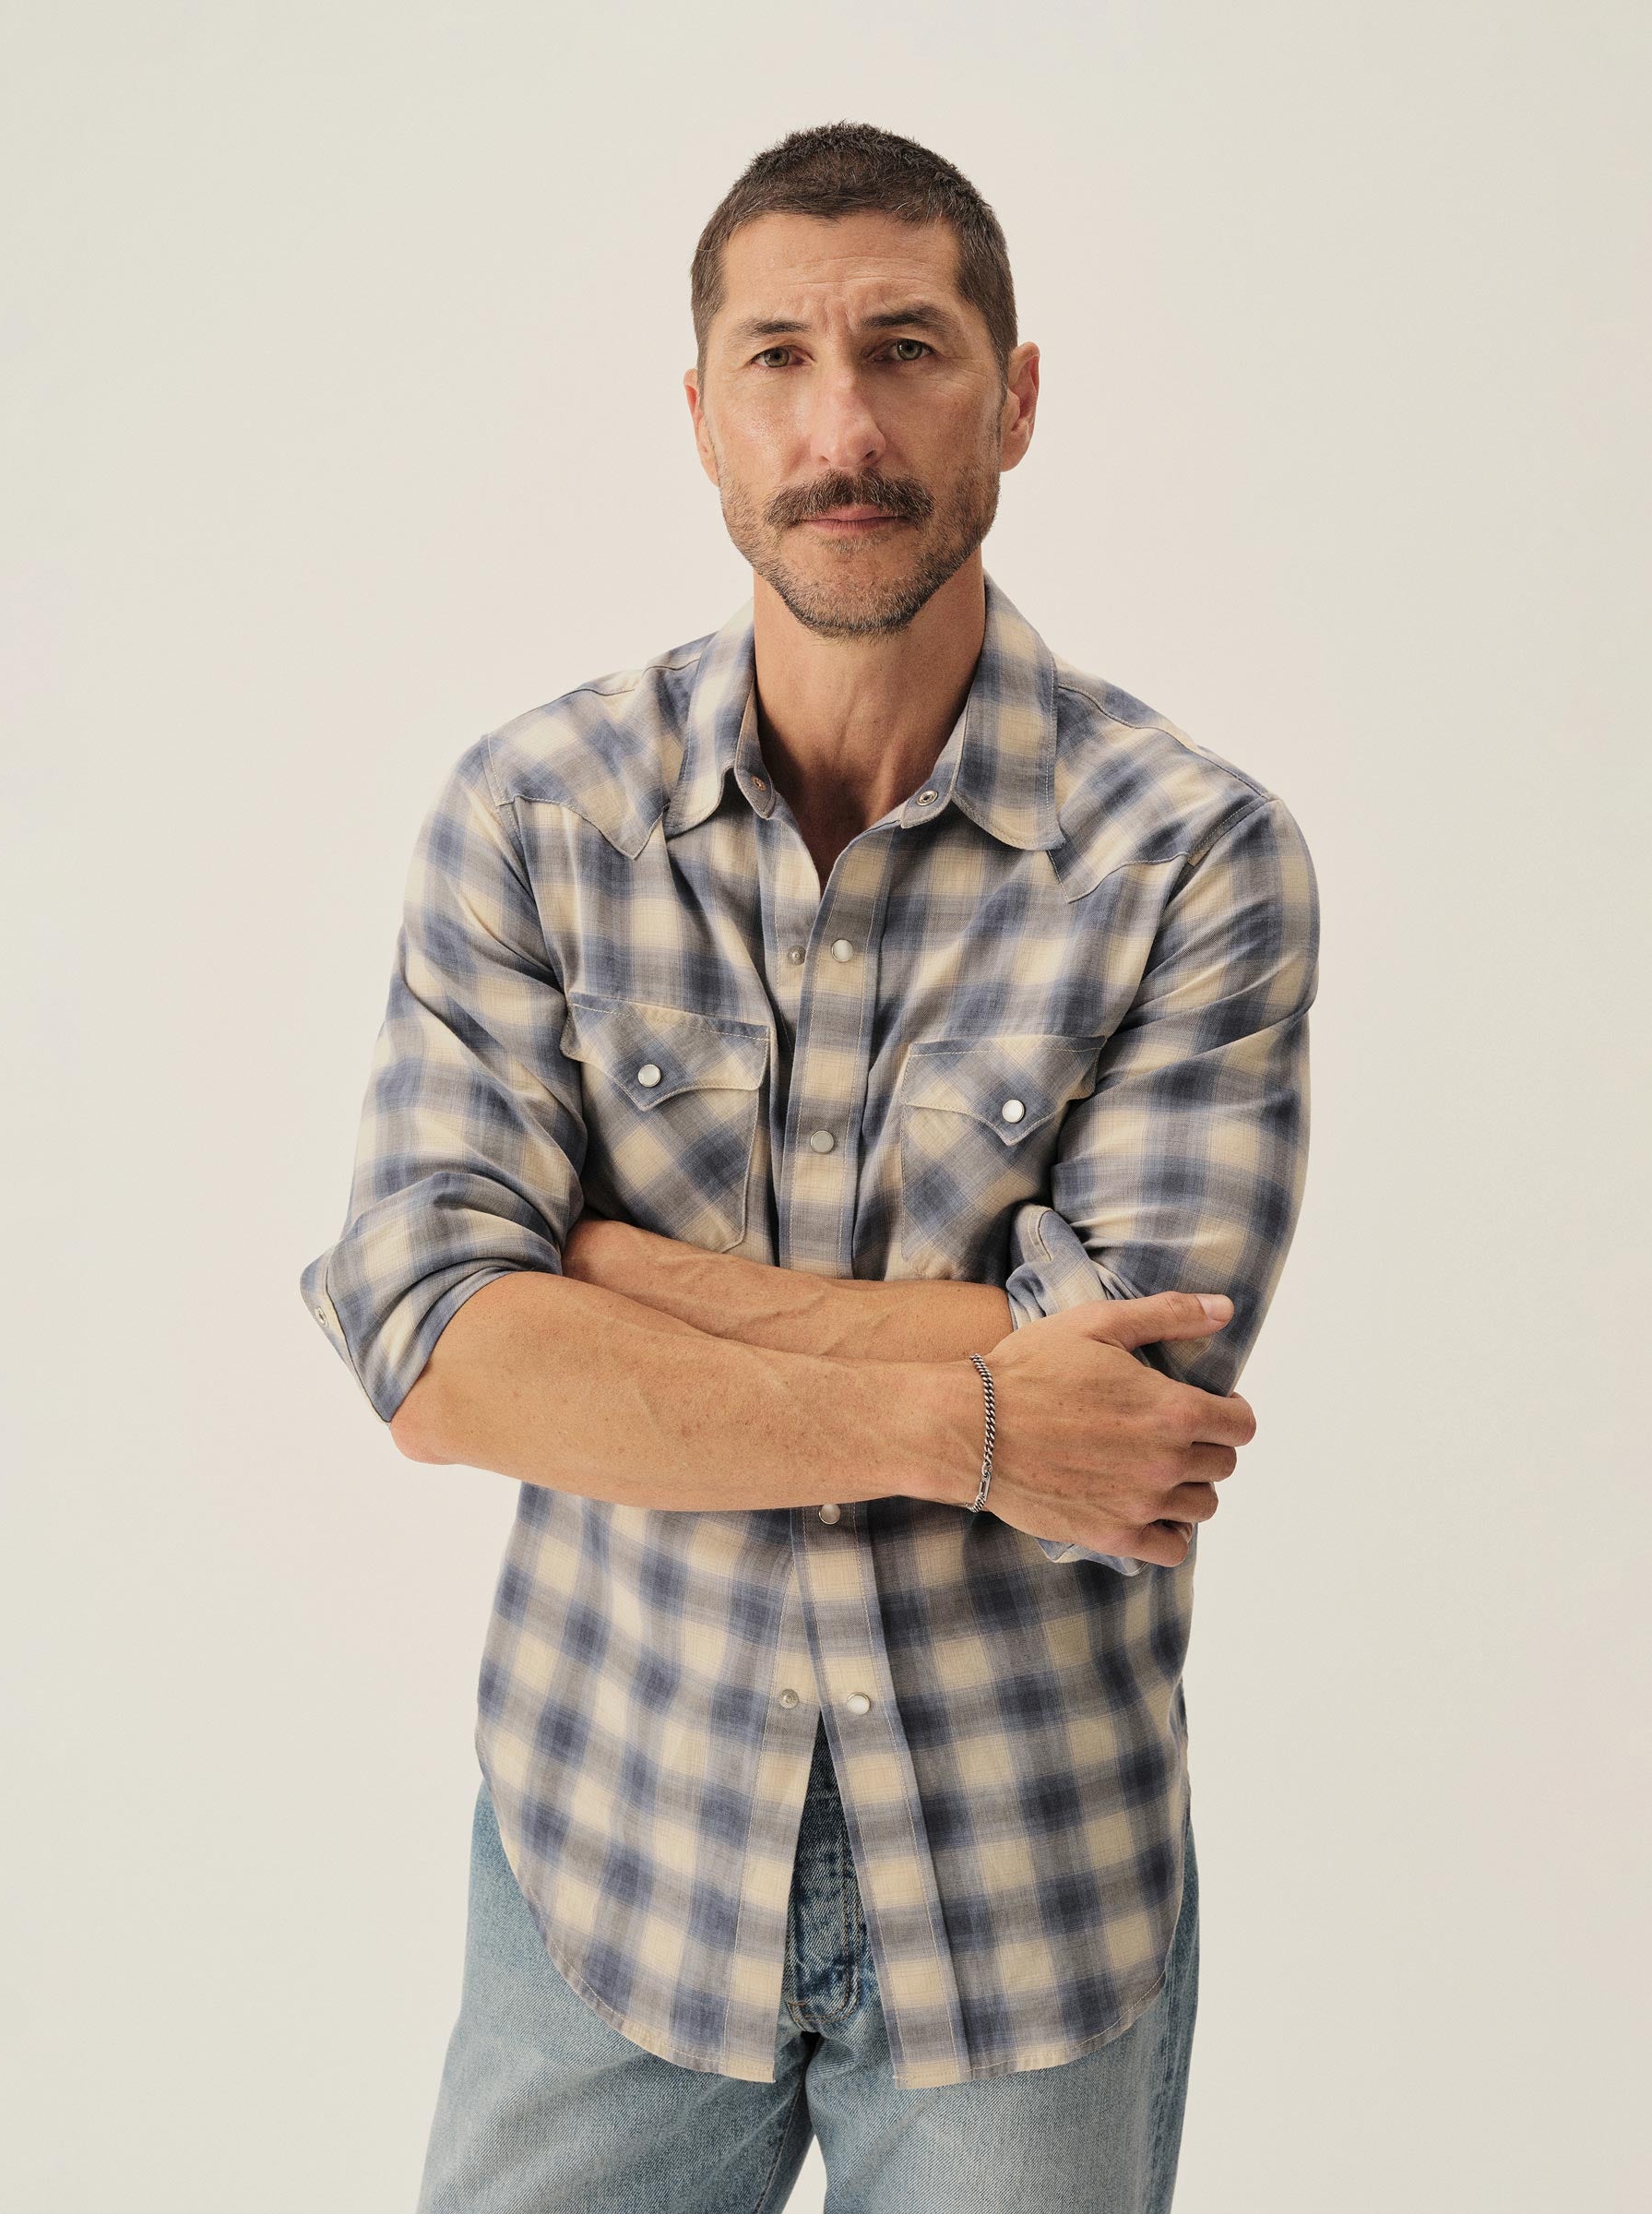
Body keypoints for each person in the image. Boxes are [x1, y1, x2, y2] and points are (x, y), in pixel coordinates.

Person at [300, 117, 1319, 2214]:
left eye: (906, 349)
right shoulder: (534, 815)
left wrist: (610, 1274)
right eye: (779, 357)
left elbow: (1132, 1399)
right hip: (610, 1852)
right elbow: (440, 1358)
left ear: (1014, 398)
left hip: (1031, 1889)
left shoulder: (1195, 856)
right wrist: (976, 1412)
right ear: (701, 416)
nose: (841, 427)